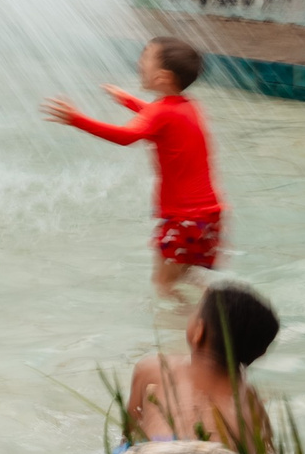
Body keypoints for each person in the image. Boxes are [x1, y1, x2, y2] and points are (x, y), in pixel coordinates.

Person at [44, 36, 224, 297]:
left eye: (145, 58)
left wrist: (77, 120)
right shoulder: (190, 106)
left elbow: (126, 136)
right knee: (187, 273)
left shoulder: (160, 112)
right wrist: (128, 100)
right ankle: (222, 301)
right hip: (208, 217)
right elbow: (159, 119)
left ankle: (181, 330)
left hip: (183, 219)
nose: (139, 62)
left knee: (163, 283)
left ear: (162, 77)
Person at [124, 282, 279, 451]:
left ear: (199, 331)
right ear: (260, 353)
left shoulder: (154, 368)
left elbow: (128, 435)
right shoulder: (251, 401)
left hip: (159, 450)